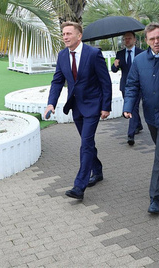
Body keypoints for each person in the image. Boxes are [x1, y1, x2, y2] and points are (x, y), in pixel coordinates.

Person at [45, 21, 112, 201]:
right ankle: (97, 171)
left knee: (85, 144)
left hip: (92, 106)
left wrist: (106, 106)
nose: (65, 37)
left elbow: (105, 82)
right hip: (76, 107)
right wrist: (51, 103)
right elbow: (57, 81)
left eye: (68, 34)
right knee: (87, 142)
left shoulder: (93, 54)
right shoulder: (62, 56)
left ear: (79, 36)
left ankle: (79, 186)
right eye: (63, 34)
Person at [123, 23, 159, 215]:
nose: (156, 42)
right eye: (152, 39)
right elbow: (132, 85)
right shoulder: (139, 61)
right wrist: (128, 107)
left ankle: (155, 197)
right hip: (150, 115)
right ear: (146, 41)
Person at [111, 31, 144, 145]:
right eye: (125, 39)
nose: (127, 41)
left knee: (133, 107)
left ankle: (131, 135)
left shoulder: (141, 53)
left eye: (129, 38)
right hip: (125, 86)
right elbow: (114, 70)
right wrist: (114, 65)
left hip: (138, 86)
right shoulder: (120, 53)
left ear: (135, 40)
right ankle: (138, 125)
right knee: (133, 107)